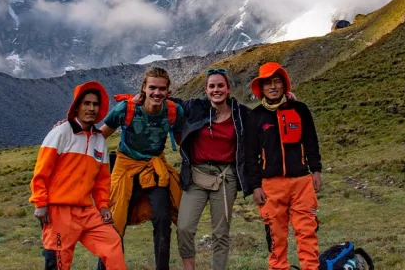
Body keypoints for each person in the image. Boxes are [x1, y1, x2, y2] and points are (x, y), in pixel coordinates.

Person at [29, 81, 126, 270]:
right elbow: (42, 170)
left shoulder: (99, 140)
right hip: (59, 211)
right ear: (76, 106)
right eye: (86, 103)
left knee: (113, 243)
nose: (91, 108)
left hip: (87, 211)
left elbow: (102, 181)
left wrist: (104, 205)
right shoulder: (61, 132)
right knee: (59, 262)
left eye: (95, 104)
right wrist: (40, 203)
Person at [99, 67, 185, 270]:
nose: (157, 93)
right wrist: (71, 132)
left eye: (162, 89)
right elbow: (100, 134)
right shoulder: (126, 108)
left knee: (163, 219)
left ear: (168, 90)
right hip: (125, 165)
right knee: (114, 221)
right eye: (152, 87)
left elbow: (184, 139)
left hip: (154, 167)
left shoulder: (174, 111)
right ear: (144, 88)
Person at [244, 62, 323, 270]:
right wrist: (255, 186)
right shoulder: (255, 116)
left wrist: (316, 170)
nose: (273, 86)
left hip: (302, 183)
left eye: (277, 81)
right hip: (270, 186)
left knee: (307, 233)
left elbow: (311, 141)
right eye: (268, 83)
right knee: (275, 238)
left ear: (284, 85)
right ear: (260, 88)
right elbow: (250, 155)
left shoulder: (300, 109)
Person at [175, 68, 252, 270]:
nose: (216, 90)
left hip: (225, 178)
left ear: (228, 88)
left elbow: (266, 117)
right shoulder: (196, 107)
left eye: (220, 85)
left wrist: (288, 101)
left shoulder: (242, 114)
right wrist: (140, 99)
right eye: (212, 86)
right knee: (184, 228)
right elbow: (170, 103)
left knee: (220, 233)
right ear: (206, 89)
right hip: (196, 176)